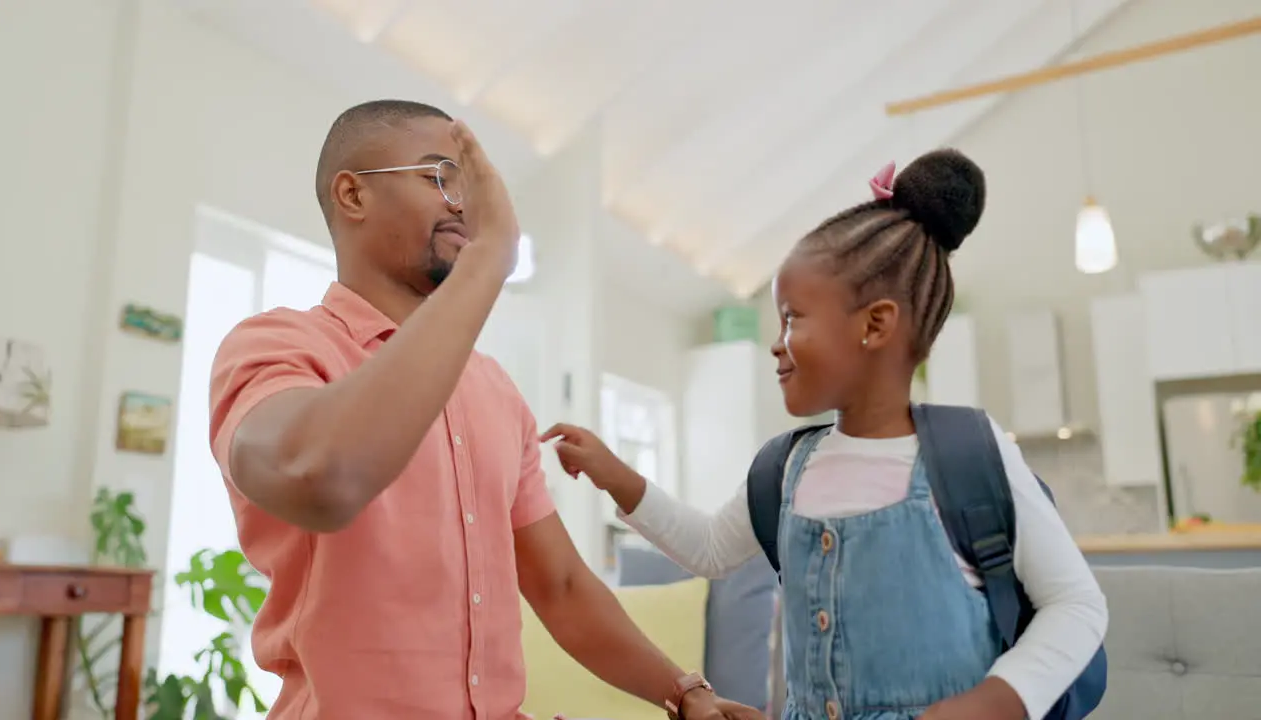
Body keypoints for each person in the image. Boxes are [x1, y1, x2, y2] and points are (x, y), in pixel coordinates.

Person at [209, 99, 763, 720]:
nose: (464, 205)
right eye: (440, 177)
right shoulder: (275, 346)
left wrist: (686, 694)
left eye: (471, 187)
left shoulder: (495, 391)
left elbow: (561, 587)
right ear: (353, 195)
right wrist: (491, 255)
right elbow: (320, 476)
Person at [540, 149, 1109, 720]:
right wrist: (615, 475)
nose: (776, 341)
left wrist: (996, 703)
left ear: (875, 324)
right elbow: (710, 550)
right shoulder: (785, 469)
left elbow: (1076, 604)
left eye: (793, 317)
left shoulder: (971, 454)